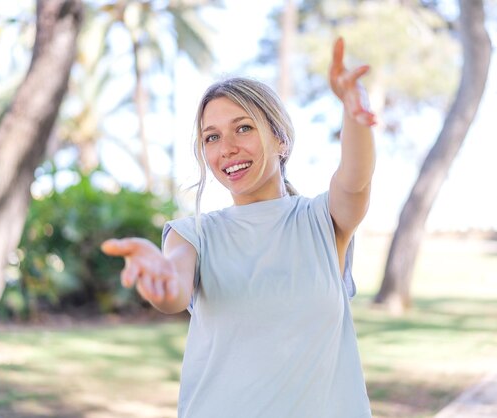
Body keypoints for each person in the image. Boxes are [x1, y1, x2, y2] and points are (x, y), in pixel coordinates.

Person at [102, 37, 376, 418]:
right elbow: (175, 293)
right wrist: (160, 280)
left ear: (280, 139)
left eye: (243, 128)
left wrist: (354, 115)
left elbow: (355, 181)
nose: (226, 148)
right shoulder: (192, 234)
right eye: (211, 137)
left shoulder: (323, 221)